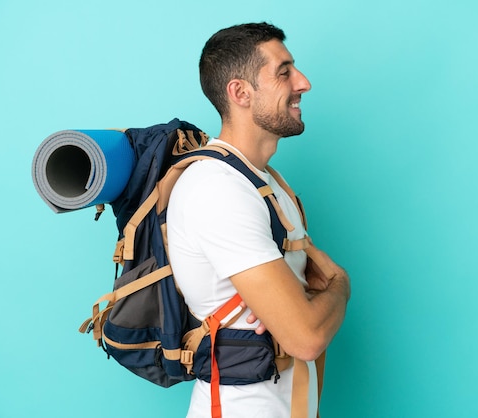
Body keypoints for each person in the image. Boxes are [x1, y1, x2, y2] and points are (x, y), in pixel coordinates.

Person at [167, 22, 350, 418]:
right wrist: (340, 287)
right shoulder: (217, 188)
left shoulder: (265, 182)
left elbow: (304, 319)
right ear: (240, 93)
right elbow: (306, 336)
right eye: (283, 72)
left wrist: (310, 301)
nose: (303, 83)